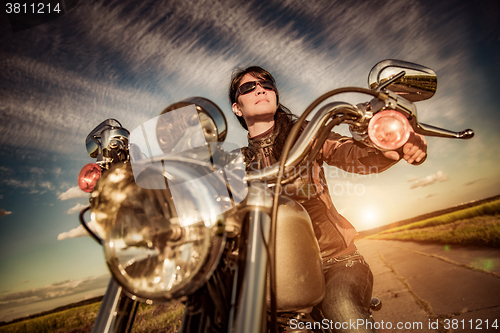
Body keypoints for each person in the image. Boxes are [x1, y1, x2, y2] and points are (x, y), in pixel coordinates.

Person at [229, 66, 427, 332]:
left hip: (337, 261)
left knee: (343, 313)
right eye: (248, 87)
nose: (260, 88)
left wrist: (392, 145)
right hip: (277, 277)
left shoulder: (305, 135)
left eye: (267, 83)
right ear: (236, 108)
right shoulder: (235, 164)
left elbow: (349, 152)